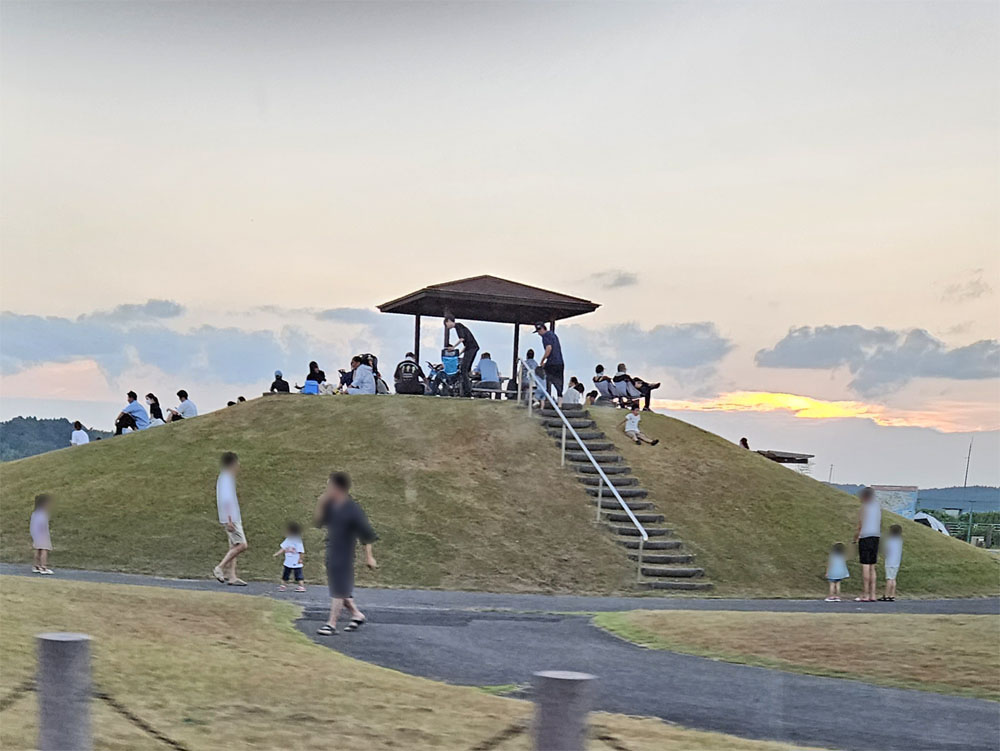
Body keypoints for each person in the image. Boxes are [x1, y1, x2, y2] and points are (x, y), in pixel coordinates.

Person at [314, 471, 378, 636]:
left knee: (339, 589)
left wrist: (369, 557)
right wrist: (320, 504)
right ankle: (356, 614)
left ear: (337, 488)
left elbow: (367, 534)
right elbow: (319, 522)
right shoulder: (330, 505)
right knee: (339, 587)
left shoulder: (353, 510)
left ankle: (331, 624)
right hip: (331, 550)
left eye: (329, 486)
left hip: (345, 553)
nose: (327, 489)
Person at [213, 452, 248, 586]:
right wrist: (229, 520)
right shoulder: (226, 478)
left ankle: (232, 576)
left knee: (233, 546)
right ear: (232, 464)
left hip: (232, 515)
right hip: (231, 517)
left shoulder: (225, 478)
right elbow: (226, 500)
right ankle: (220, 568)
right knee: (242, 545)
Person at [853, 486, 881, 602]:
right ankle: (873, 594)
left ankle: (865, 594)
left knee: (865, 565)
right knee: (872, 567)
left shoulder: (864, 508)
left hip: (865, 536)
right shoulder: (877, 506)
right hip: (876, 536)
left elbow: (861, 525)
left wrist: (855, 538)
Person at [444, 315, 478, 397]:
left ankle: (468, 392)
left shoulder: (458, 326)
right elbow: (466, 344)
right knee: (466, 370)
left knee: (463, 369)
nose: (447, 326)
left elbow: (462, 338)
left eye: (446, 324)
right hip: (471, 348)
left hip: (472, 348)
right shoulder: (460, 326)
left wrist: (453, 347)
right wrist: (459, 354)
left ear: (449, 321)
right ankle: (467, 388)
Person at [534, 322, 564, 401]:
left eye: (539, 331)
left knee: (541, 375)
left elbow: (549, 348)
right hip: (560, 362)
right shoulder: (553, 335)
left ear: (542, 329)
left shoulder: (545, 336)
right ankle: (560, 403)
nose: (539, 334)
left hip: (552, 363)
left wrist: (542, 360)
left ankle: (540, 397)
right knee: (559, 383)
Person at [273, 521, 306, 592]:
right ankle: (283, 585)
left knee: (298, 575)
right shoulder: (287, 540)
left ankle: (301, 586)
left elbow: (301, 551)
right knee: (285, 574)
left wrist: (300, 559)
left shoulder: (298, 540)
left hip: (296, 562)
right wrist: (277, 554)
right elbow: (283, 548)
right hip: (288, 562)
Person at [30, 493, 54, 575]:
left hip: (36, 534)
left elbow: (32, 525)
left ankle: (36, 565)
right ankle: (43, 566)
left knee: (37, 549)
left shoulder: (35, 513)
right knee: (44, 550)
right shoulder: (43, 514)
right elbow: (43, 525)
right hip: (42, 534)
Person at [880, 525, 903, 602]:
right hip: (897, 561)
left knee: (889, 579)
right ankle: (892, 595)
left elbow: (886, 551)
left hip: (890, 561)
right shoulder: (900, 541)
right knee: (893, 579)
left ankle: (886, 595)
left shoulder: (889, 541)